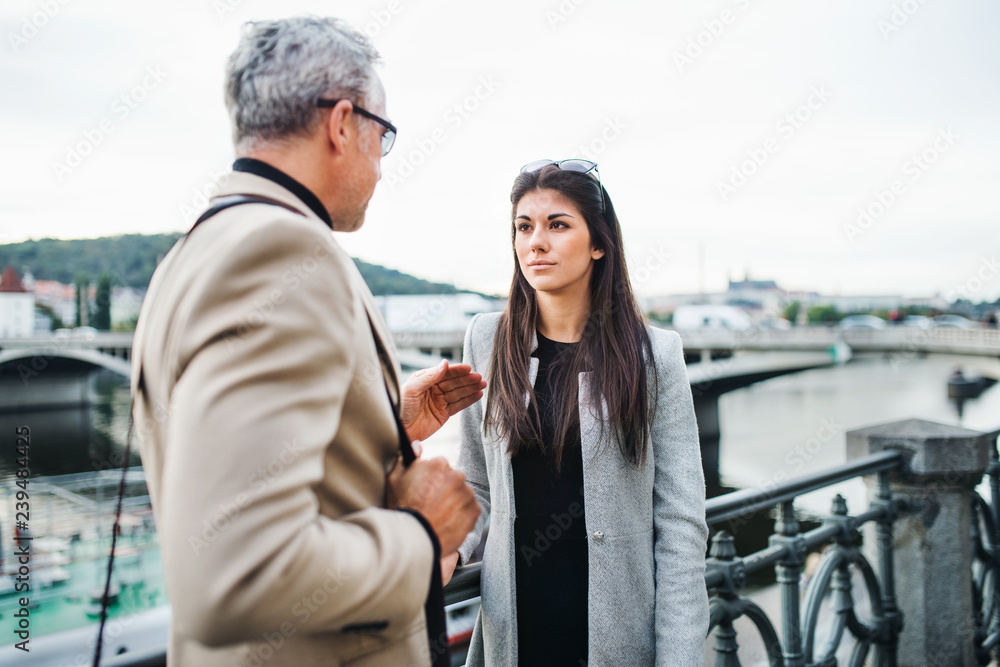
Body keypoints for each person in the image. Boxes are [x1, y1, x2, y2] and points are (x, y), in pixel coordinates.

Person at [130, 17, 482, 667]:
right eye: (383, 134)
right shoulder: (282, 253)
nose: (380, 162)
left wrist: (381, 416)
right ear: (342, 124)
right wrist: (422, 535)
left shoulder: (200, 249)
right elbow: (232, 572)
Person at [446, 160, 709, 665]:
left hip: (618, 637)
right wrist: (449, 548)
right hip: (515, 634)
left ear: (599, 244)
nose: (535, 242)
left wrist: (679, 657)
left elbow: (679, 524)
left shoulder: (654, 357)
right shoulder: (486, 340)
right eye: (524, 227)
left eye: (557, 225)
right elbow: (477, 485)